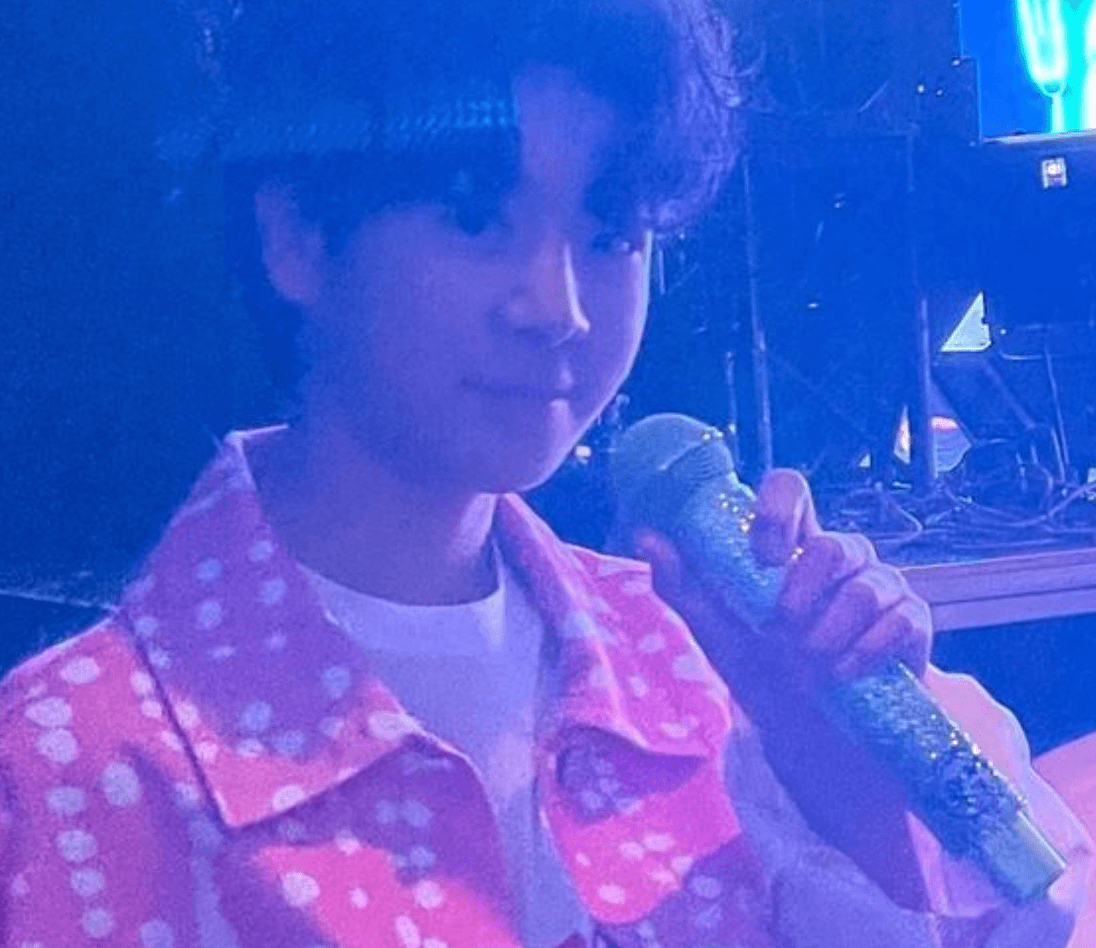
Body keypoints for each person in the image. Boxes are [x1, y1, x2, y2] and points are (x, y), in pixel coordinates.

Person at [0, 0, 1089, 945]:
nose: (558, 308)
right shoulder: (75, 768)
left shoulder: (693, 658)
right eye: (476, 217)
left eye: (610, 234)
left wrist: (831, 756)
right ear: (297, 236)